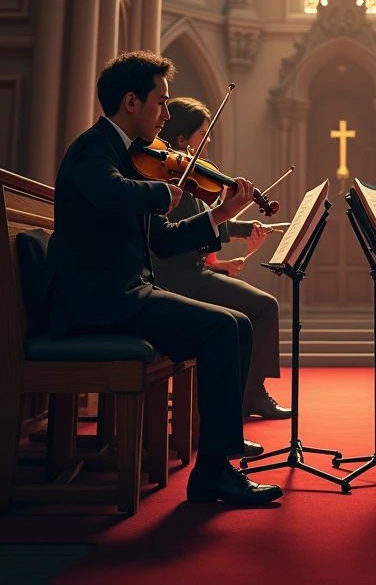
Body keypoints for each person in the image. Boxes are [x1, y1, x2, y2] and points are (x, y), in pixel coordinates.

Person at [47, 51, 283, 507]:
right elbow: (110, 193)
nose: (168, 114)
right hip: (100, 302)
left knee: (236, 323)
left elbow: (168, 239)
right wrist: (165, 190)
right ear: (132, 101)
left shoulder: (128, 157)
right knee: (223, 327)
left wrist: (221, 213)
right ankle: (214, 471)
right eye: (162, 102)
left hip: (126, 295)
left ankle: (215, 465)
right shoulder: (94, 149)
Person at [151, 97, 289, 420]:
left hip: (194, 273)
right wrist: (230, 220)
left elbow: (204, 220)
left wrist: (242, 228)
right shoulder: (172, 179)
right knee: (265, 307)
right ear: (182, 140)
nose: (208, 142)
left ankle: (248, 393)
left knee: (259, 308)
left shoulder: (191, 176)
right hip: (182, 278)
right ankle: (249, 395)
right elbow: (186, 234)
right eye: (202, 135)